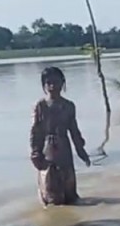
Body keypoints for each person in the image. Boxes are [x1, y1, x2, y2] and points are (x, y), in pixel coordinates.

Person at [30, 67, 92, 205]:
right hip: (47, 150)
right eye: (49, 83)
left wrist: (81, 152)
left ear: (62, 83)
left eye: (56, 82)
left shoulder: (69, 106)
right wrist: (35, 154)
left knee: (69, 193)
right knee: (51, 189)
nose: (52, 86)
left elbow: (74, 131)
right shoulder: (40, 106)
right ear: (44, 86)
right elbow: (36, 132)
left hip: (64, 148)